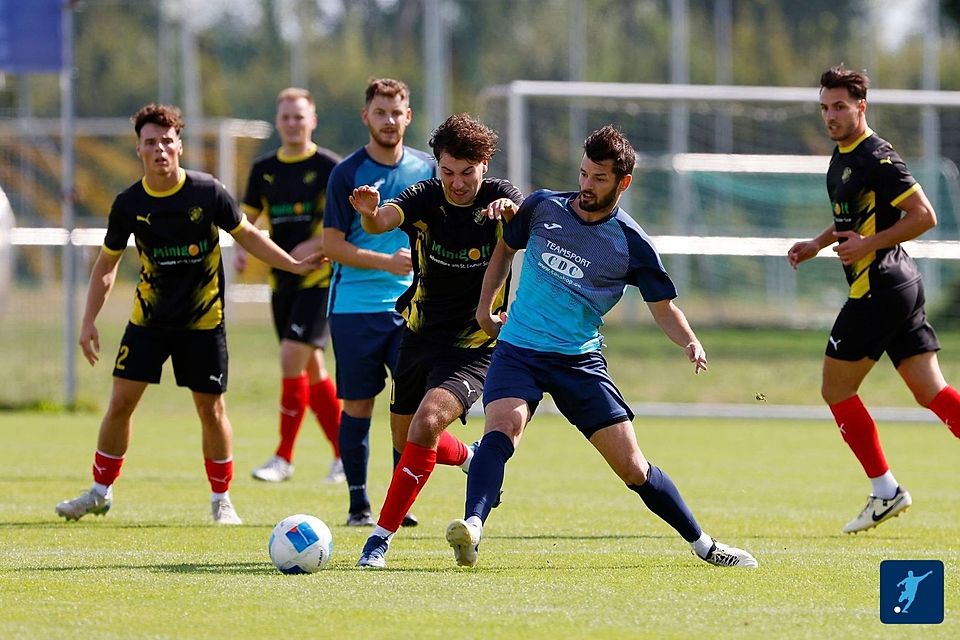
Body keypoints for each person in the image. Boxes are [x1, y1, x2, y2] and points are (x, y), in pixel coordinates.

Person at [444, 125, 758, 569]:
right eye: (583, 174)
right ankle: (472, 528)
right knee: (502, 430)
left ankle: (705, 544)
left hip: (578, 361)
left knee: (633, 467)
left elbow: (664, 308)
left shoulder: (631, 244)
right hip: (519, 350)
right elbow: (504, 251)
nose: (586, 186)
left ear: (623, 182)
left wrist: (689, 341)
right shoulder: (542, 207)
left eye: (599, 178)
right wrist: (484, 309)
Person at [55, 103, 323, 525]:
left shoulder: (207, 192)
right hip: (148, 321)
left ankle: (222, 499)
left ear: (178, 144)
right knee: (120, 402)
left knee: (211, 409)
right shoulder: (129, 203)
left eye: (166, 140)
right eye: (150, 142)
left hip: (202, 323)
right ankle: (100, 491)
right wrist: (88, 321)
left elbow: (249, 235)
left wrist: (290, 263)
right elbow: (106, 267)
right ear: (139, 150)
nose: (160, 148)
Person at [788, 65, 960, 534]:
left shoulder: (877, 157)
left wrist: (868, 244)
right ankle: (886, 491)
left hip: (878, 288)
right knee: (933, 393)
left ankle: (885, 491)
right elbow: (849, 217)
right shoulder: (844, 154)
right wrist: (817, 243)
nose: (831, 115)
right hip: (898, 286)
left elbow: (925, 216)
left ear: (861, 106)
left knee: (835, 389)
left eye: (840, 106)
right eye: (825, 107)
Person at [350, 113, 523, 568]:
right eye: (448, 171)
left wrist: (512, 216)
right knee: (409, 436)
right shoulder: (426, 196)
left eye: (467, 172)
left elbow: (523, 223)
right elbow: (383, 221)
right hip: (419, 336)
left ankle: (379, 539)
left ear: (484, 165)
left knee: (427, 422)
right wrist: (369, 212)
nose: (458, 183)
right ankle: (469, 456)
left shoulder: (501, 197)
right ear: (437, 165)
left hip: (475, 346)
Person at [323, 78, 435, 526]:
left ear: (408, 116)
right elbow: (332, 245)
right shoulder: (345, 173)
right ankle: (357, 504)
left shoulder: (429, 170)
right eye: (380, 112)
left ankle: (397, 502)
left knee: (409, 407)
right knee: (358, 406)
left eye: (397, 112)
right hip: (353, 308)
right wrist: (386, 263)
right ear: (366, 116)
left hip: (412, 309)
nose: (389, 120)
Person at [237, 88, 344, 484]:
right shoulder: (264, 168)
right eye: (286, 117)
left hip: (318, 279)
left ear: (312, 119)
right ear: (278, 121)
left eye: (300, 116)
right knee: (312, 369)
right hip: (280, 278)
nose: (293, 123)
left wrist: (313, 245)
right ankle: (343, 456)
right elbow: (246, 221)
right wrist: (241, 250)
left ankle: (283, 457)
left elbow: (344, 225)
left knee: (289, 358)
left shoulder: (330, 167)